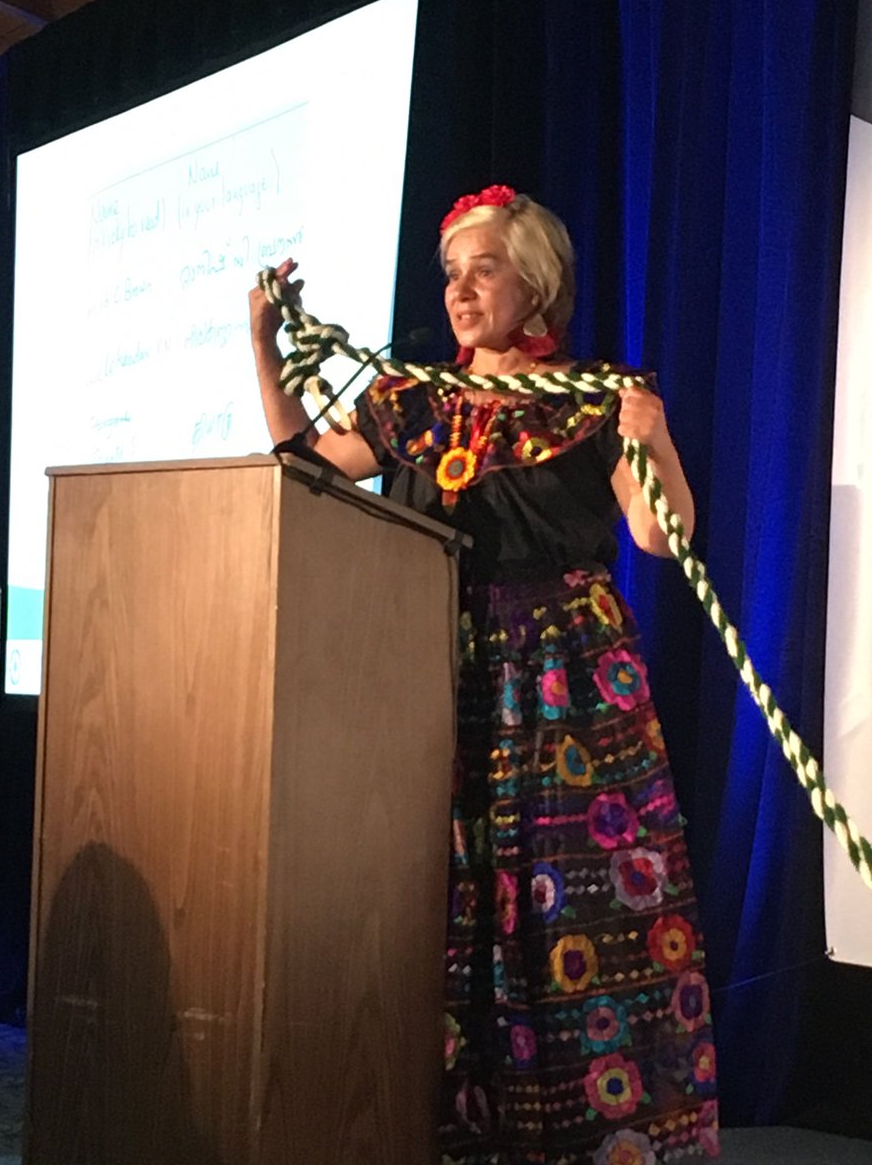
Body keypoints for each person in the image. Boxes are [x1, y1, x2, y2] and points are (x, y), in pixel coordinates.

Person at [249, 186, 719, 1164]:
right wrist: (263, 344)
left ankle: (590, 1132)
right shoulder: (414, 404)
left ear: (535, 283)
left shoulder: (594, 398)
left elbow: (656, 534)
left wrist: (655, 438)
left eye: (484, 269)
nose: (460, 291)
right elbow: (302, 465)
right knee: (446, 890)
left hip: (568, 678)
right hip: (441, 661)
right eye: (451, 273)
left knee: (571, 900)